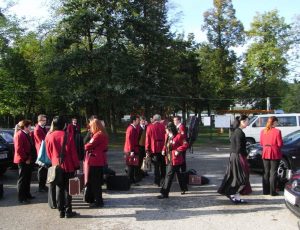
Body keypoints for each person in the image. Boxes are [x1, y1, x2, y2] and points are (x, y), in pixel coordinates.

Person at [45, 116, 80, 218]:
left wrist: (54, 160)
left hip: (56, 165)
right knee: (68, 189)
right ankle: (68, 210)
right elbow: (73, 153)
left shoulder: (49, 136)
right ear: (64, 125)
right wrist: (77, 165)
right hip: (68, 165)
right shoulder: (68, 135)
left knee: (59, 188)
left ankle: (61, 211)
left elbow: (48, 153)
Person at [218, 115, 251, 204]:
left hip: (235, 156)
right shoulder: (239, 132)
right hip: (238, 156)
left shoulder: (236, 131)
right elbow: (239, 148)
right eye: (247, 121)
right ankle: (232, 194)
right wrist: (245, 155)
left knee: (236, 177)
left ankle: (236, 197)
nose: (248, 122)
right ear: (242, 122)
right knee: (240, 177)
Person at [158, 122, 189, 199]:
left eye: (166, 130)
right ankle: (184, 188)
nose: (165, 131)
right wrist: (163, 150)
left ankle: (164, 193)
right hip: (168, 158)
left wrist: (178, 150)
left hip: (175, 159)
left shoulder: (179, 136)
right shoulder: (167, 136)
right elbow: (166, 145)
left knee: (168, 176)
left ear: (170, 129)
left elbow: (185, 145)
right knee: (178, 174)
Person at [84, 119, 109, 207]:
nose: (90, 127)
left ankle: (98, 201)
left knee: (95, 182)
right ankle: (96, 199)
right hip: (98, 160)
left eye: (91, 126)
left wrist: (84, 146)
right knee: (96, 182)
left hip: (95, 161)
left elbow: (89, 145)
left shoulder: (98, 135)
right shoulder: (102, 133)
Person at [260, 116, 283, 196]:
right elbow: (280, 144)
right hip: (274, 152)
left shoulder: (263, 131)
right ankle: (272, 192)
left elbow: (261, 143)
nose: (277, 123)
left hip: (265, 151)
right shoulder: (277, 131)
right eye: (276, 122)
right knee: (273, 172)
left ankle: (265, 191)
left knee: (266, 172)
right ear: (274, 122)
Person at [14, 120, 36, 204]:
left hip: (28, 159)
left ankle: (27, 194)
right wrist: (26, 158)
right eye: (30, 126)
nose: (31, 127)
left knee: (27, 178)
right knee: (22, 179)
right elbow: (19, 150)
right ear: (25, 127)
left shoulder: (26, 134)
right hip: (23, 160)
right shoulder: (19, 134)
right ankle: (21, 197)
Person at [145, 114, 166, 186]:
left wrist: (147, 150)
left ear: (154, 119)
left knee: (156, 166)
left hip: (154, 149)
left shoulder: (149, 126)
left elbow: (147, 139)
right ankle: (164, 180)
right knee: (163, 165)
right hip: (163, 148)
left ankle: (157, 182)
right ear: (159, 119)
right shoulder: (164, 126)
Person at [33, 114, 49, 192]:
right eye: (44, 120)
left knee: (44, 169)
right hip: (41, 151)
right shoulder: (37, 129)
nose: (45, 122)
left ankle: (43, 185)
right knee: (41, 169)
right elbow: (40, 141)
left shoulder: (43, 128)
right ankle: (41, 186)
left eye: (45, 120)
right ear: (39, 121)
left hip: (44, 150)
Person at [124, 115, 140, 185]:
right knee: (131, 166)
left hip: (133, 149)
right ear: (134, 121)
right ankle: (129, 181)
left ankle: (132, 180)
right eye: (137, 120)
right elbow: (129, 141)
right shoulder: (131, 129)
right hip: (131, 150)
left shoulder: (133, 128)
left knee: (133, 166)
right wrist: (131, 151)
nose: (138, 121)